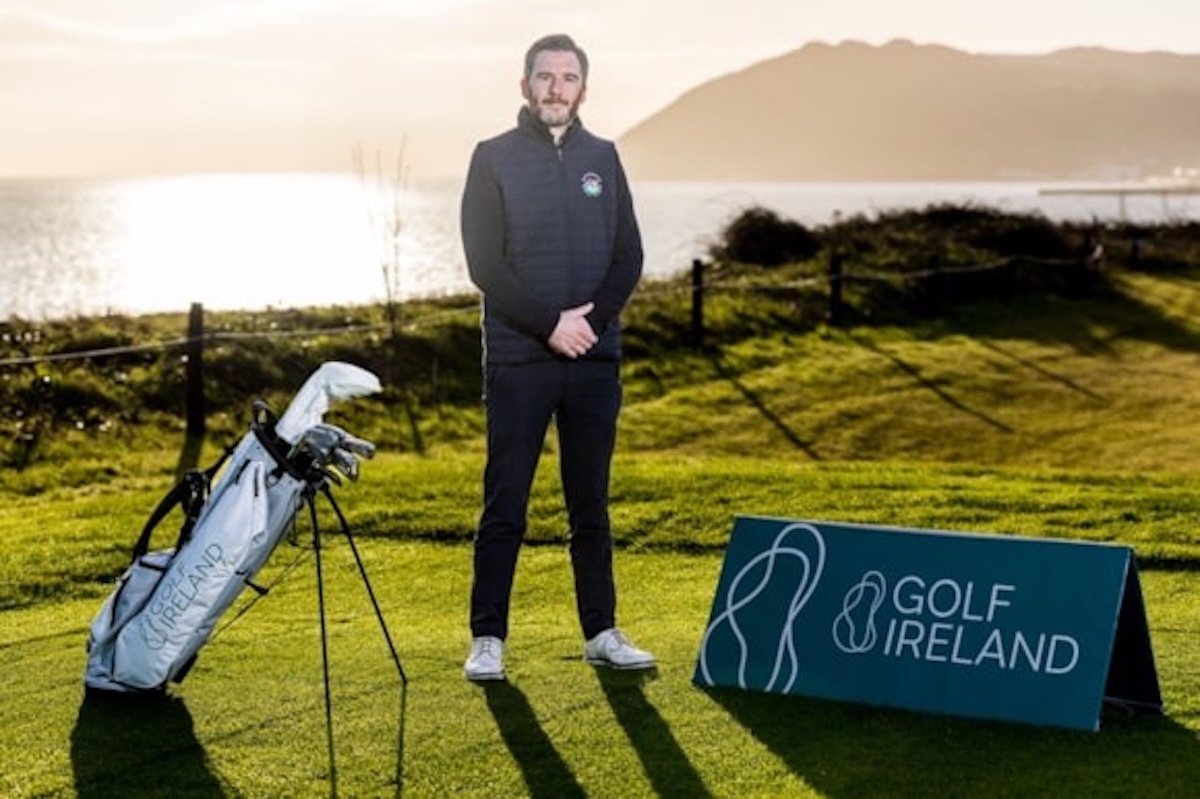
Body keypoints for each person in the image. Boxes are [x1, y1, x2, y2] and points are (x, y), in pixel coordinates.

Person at [459, 33, 654, 681]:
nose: (555, 88)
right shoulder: (491, 158)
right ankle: (487, 638)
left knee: (589, 505)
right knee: (505, 504)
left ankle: (601, 631)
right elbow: (485, 263)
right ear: (525, 85)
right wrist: (550, 326)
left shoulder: (605, 156)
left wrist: (586, 326)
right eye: (545, 76)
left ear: (583, 90)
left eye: (568, 78)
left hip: (593, 361)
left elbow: (629, 256)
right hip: (519, 361)